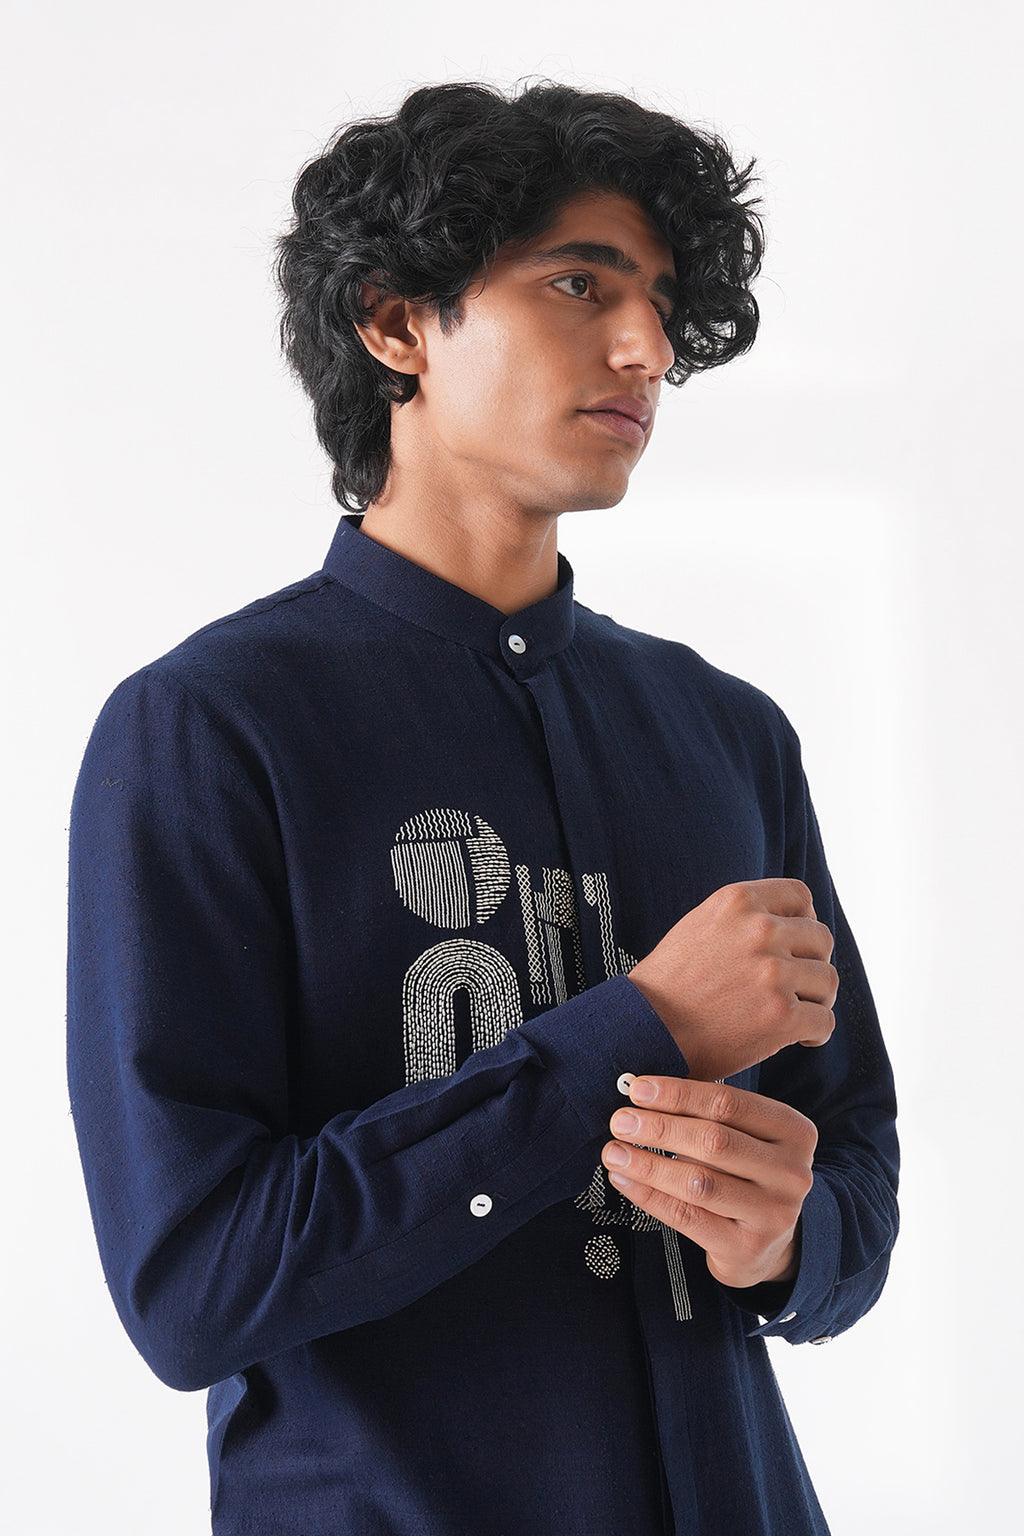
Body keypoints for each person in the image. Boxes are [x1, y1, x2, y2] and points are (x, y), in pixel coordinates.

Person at [67, 79, 899, 1536]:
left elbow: (855, 1185)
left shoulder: (728, 733)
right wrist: (636, 1034)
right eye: (580, 285)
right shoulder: (211, 729)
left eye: (659, 304)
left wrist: (791, 1241)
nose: (645, 348)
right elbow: (195, 1287)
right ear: (397, 323)